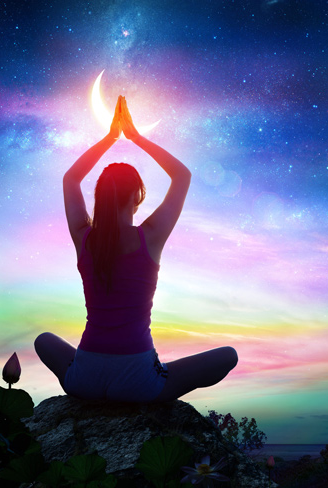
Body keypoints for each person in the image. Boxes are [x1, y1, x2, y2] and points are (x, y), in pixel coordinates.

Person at [35, 95, 237, 403]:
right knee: (227, 356)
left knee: (44, 340)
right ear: (137, 197)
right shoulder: (151, 236)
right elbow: (182, 176)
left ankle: (111, 372)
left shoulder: (83, 237)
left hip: (85, 377)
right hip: (138, 382)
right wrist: (135, 136)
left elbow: (71, 179)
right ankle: (155, 372)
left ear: (99, 197)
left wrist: (109, 138)